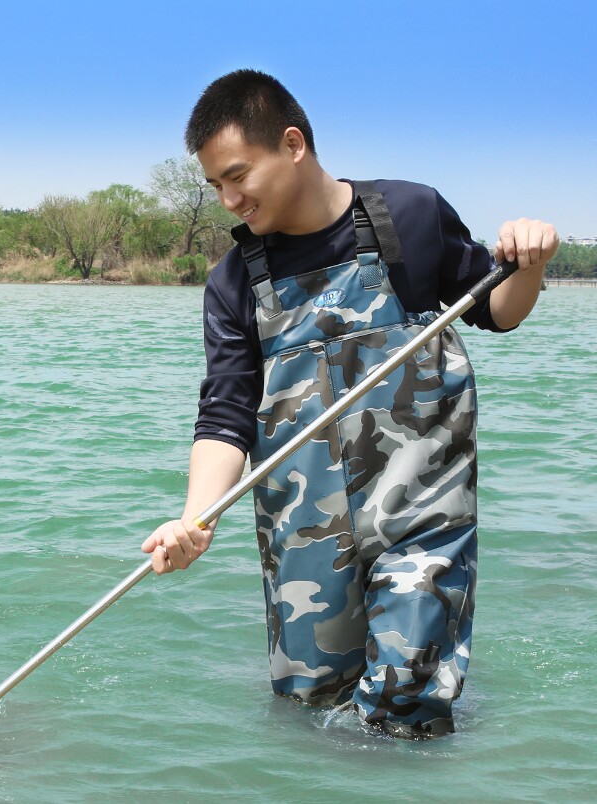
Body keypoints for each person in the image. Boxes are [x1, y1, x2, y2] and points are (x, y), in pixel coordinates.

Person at [142, 69, 558, 738]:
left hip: (420, 515)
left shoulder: (410, 216)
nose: (228, 199)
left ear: (293, 144)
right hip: (304, 537)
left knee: (406, 701)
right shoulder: (232, 283)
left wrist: (528, 263)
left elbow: (498, 311)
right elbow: (225, 415)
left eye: (237, 176)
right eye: (215, 185)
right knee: (311, 720)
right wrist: (195, 521)